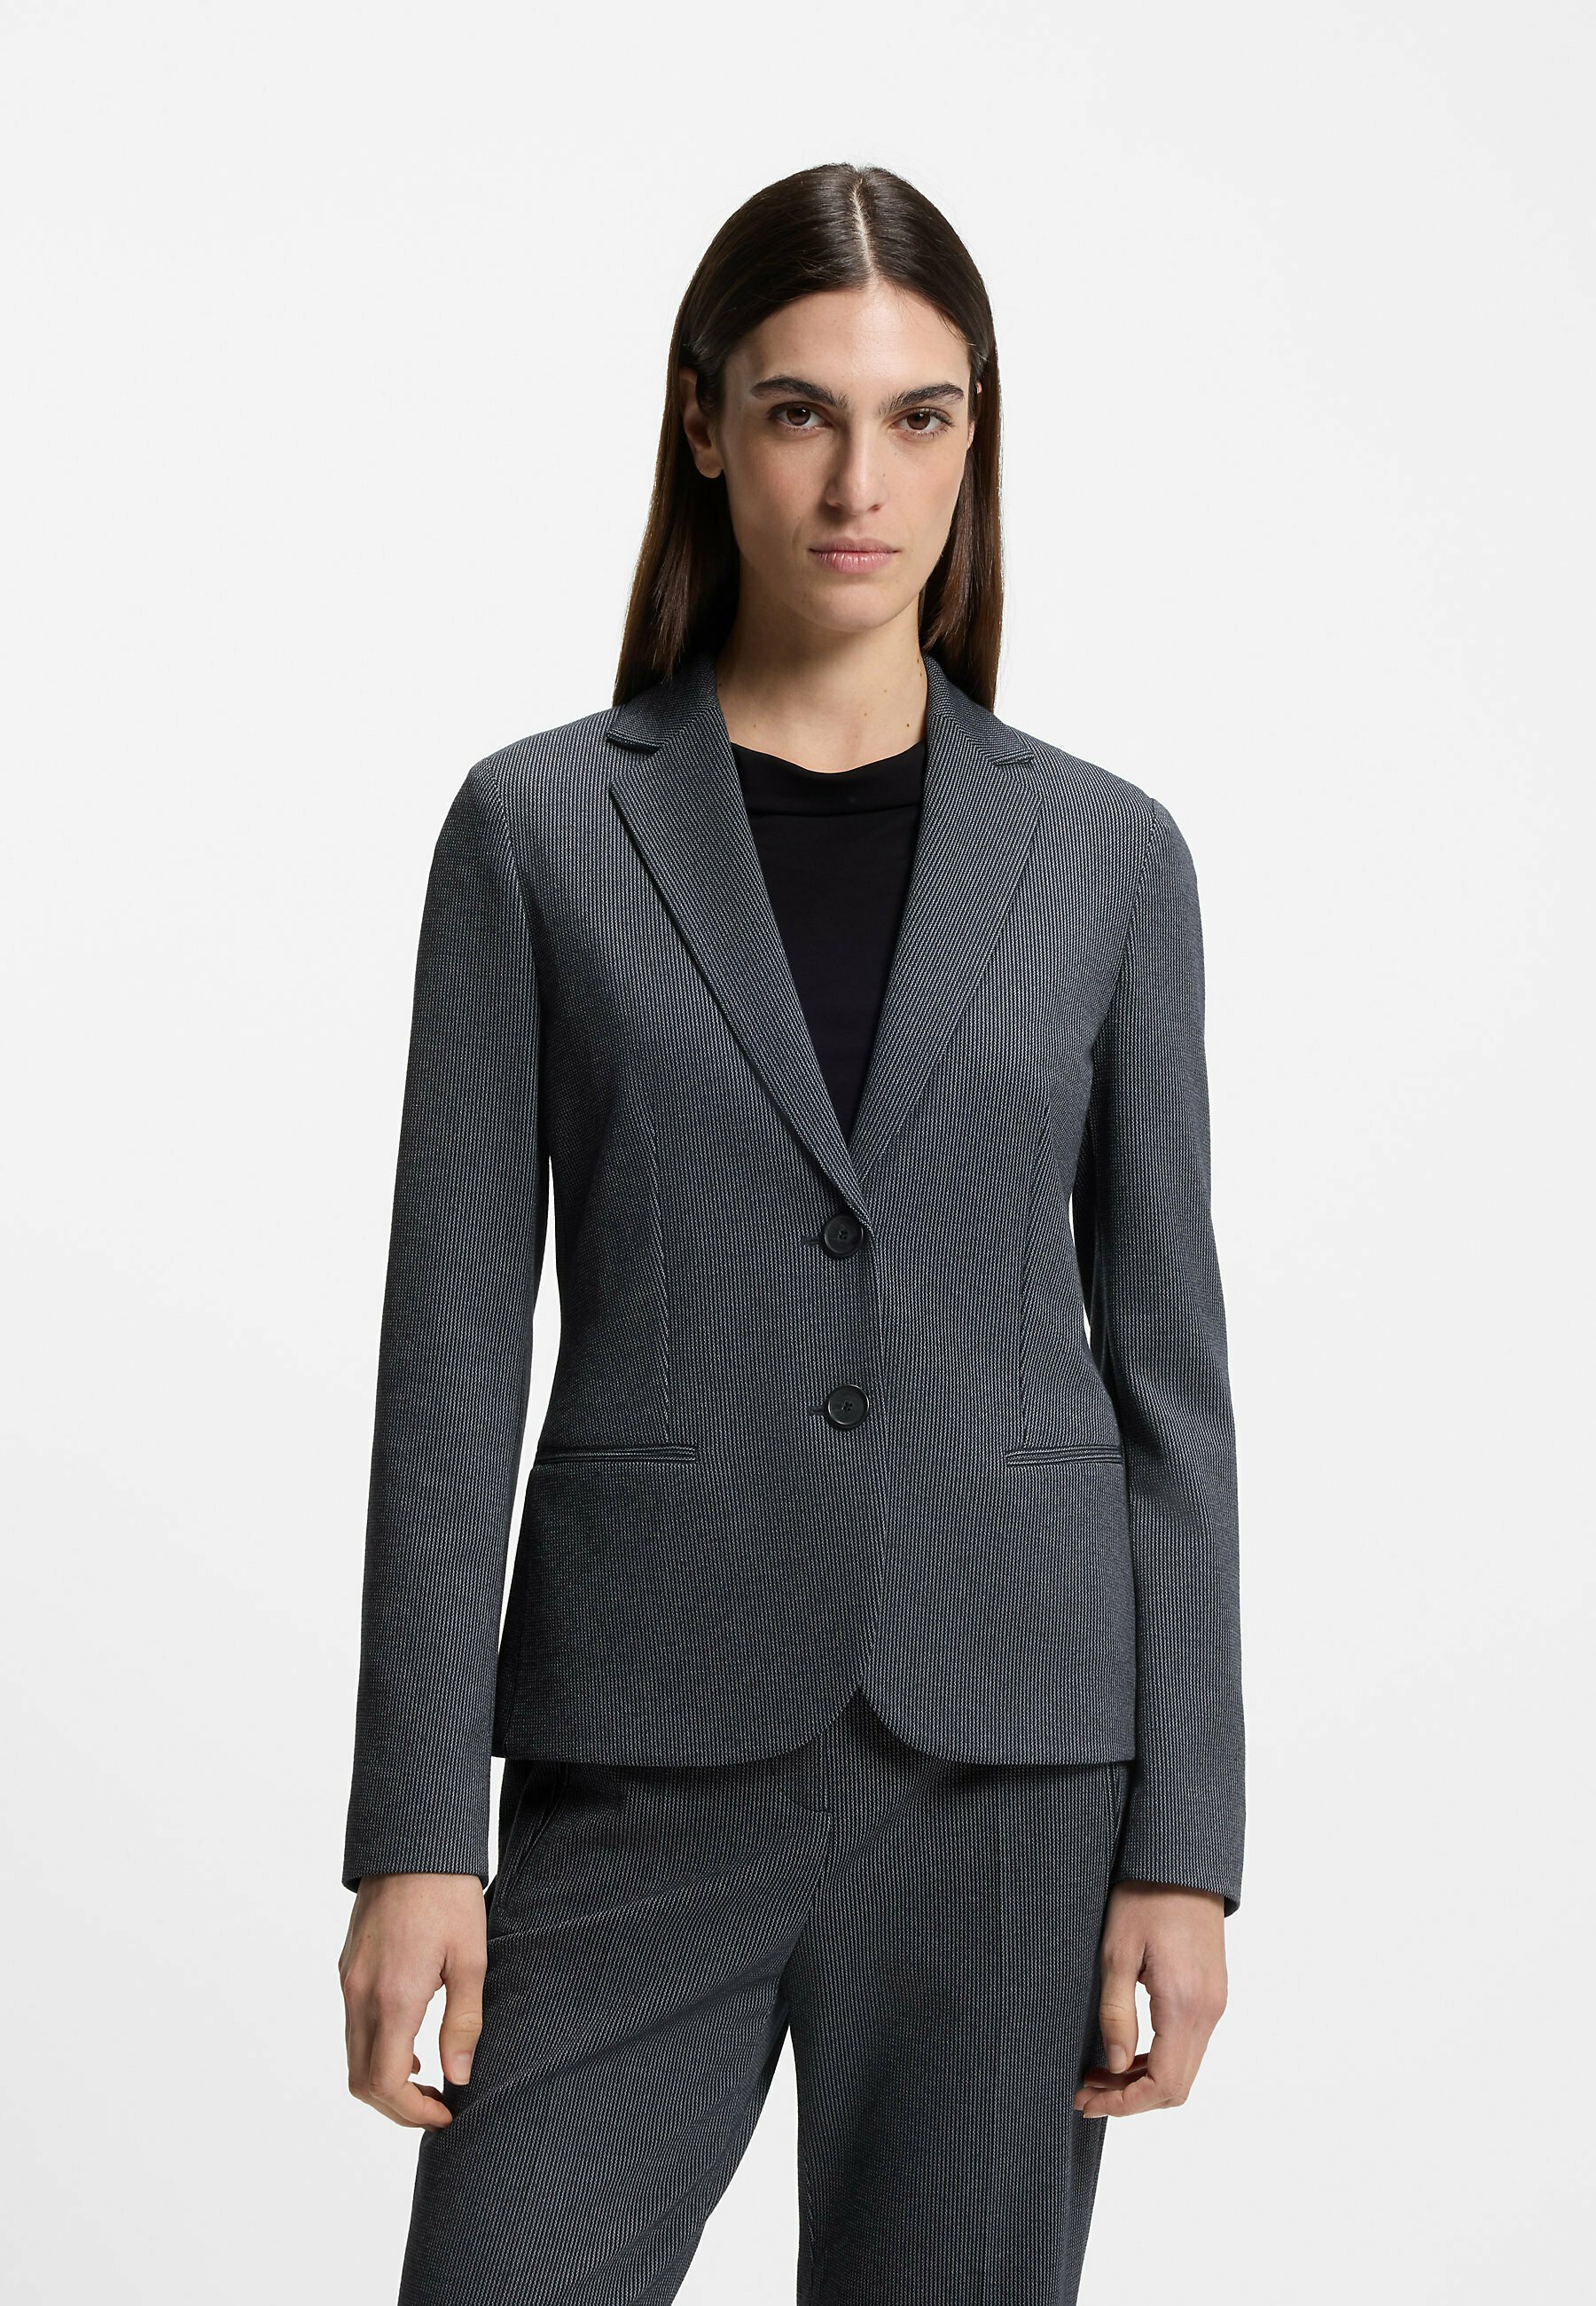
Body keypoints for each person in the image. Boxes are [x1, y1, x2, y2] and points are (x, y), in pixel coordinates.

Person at [338, 160, 1245, 2305]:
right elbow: (451, 1357)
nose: (863, 480)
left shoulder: (1106, 856)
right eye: (800, 411)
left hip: (1014, 1763)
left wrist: (1188, 1845)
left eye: (921, 416)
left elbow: (1172, 1380)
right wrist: (414, 1830)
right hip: (643, 1740)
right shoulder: (541, 827)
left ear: (976, 439)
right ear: (703, 424)